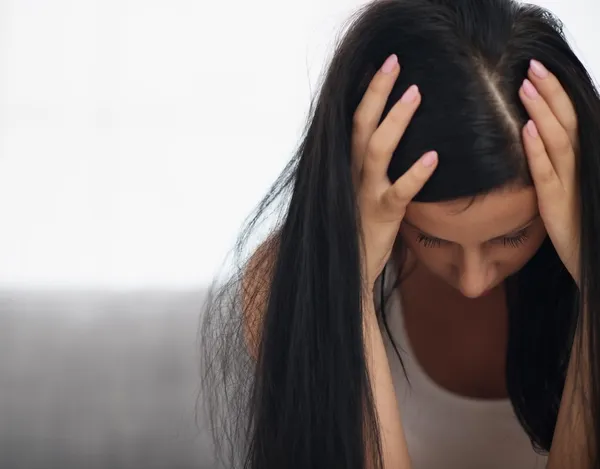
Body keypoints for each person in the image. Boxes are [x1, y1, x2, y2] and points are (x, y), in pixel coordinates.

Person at [199, 0, 600, 468]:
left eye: (511, 237)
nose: (473, 282)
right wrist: (346, 283)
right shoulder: (286, 284)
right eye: (431, 238)